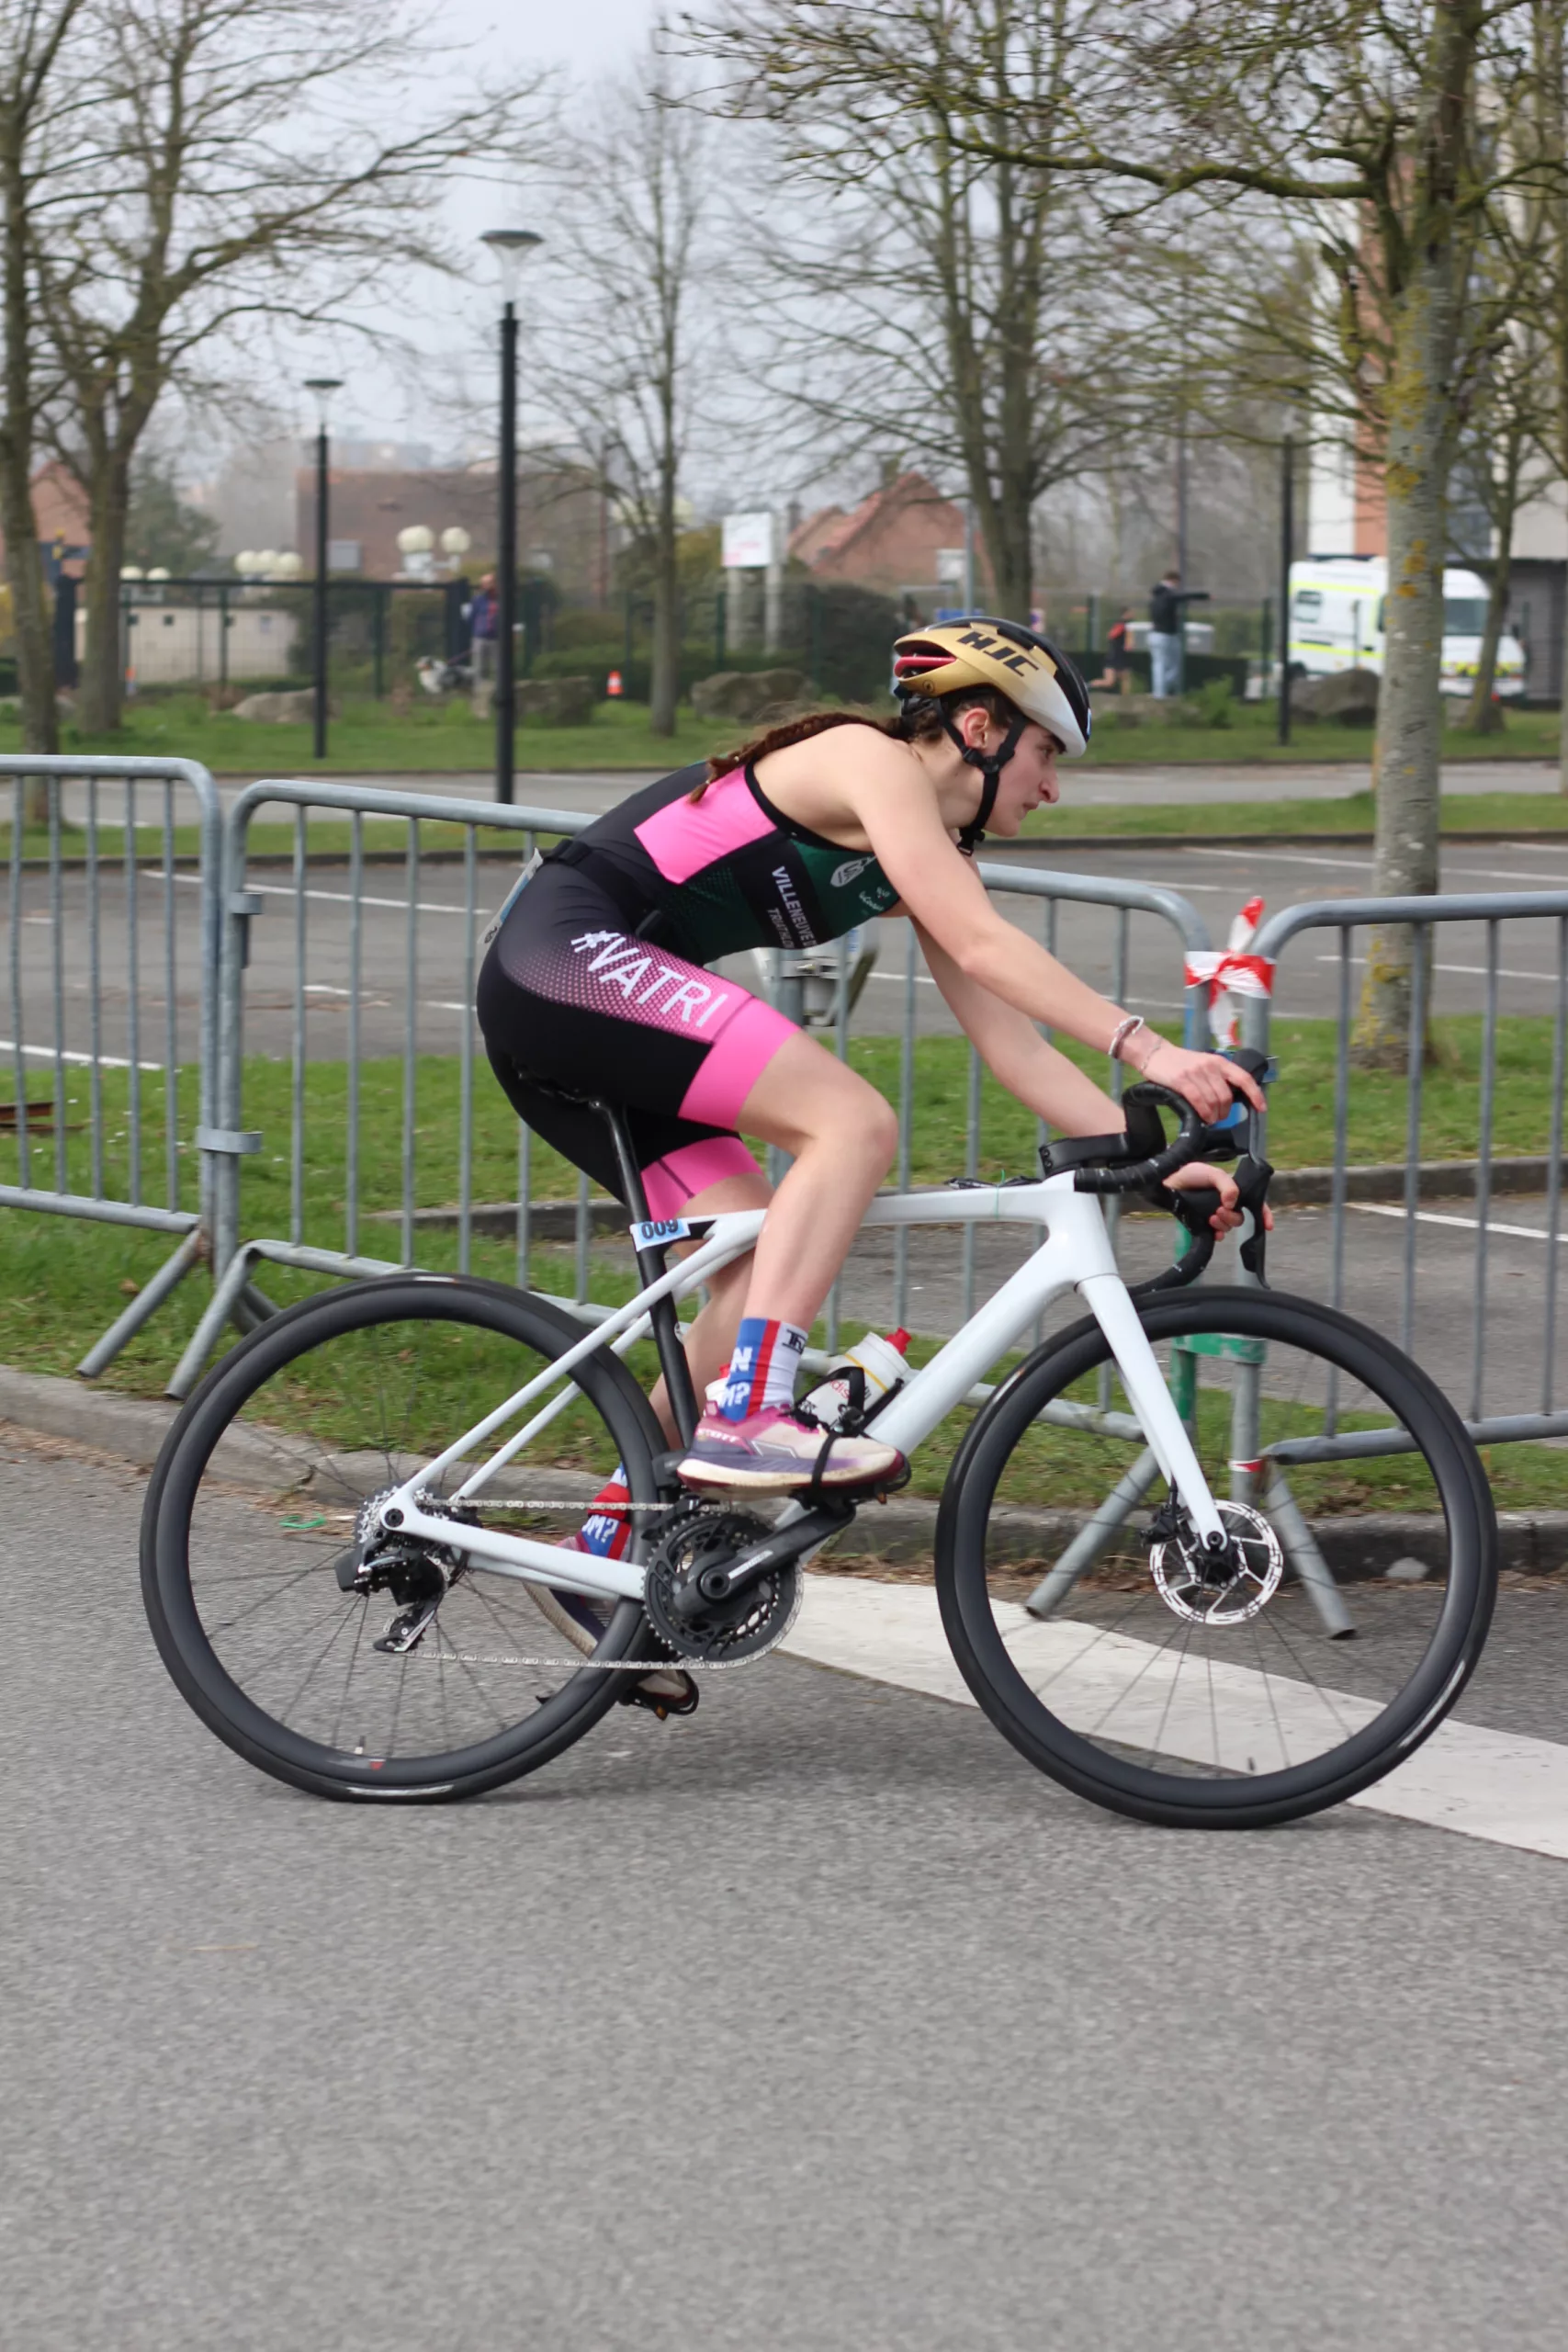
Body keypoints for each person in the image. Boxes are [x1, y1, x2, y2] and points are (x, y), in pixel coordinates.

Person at [475, 616, 1266, 1518]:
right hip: (562, 963)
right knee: (851, 1122)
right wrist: (1153, 1049)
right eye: (1046, 753)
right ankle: (750, 1414)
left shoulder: (926, 851)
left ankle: (620, 1533)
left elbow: (1013, 1045)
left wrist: (1156, 1163)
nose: (1052, 787)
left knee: (756, 1264)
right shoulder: (869, 760)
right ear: (979, 728)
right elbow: (983, 944)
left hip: (592, 1010)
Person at [1148, 571, 1182, 698]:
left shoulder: (1156, 596)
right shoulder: (1167, 595)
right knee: (1172, 665)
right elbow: (1182, 597)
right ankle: (1162, 691)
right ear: (1174, 580)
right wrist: (1204, 596)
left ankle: (1159, 692)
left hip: (1155, 633)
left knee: (1159, 664)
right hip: (1167, 634)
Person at [468, 572, 499, 695]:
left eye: (490, 582)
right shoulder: (478, 600)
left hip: (497, 638)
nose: (488, 586)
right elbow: (471, 617)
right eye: (485, 583)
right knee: (480, 668)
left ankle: (498, 693)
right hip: (480, 637)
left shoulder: (501, 599)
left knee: (498, 667)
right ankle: (480, 694)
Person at [1093, 605, 1134, 693]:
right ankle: (1087, 686)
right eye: (1131, 612)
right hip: (1114, 657)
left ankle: (1126, 697)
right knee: (1110, 682)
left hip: (1119, 656)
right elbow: (1112, 636)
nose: (1133, 614)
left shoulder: (1126, 625)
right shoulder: (1122, 625)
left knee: (1125, 677)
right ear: (1125, 613)